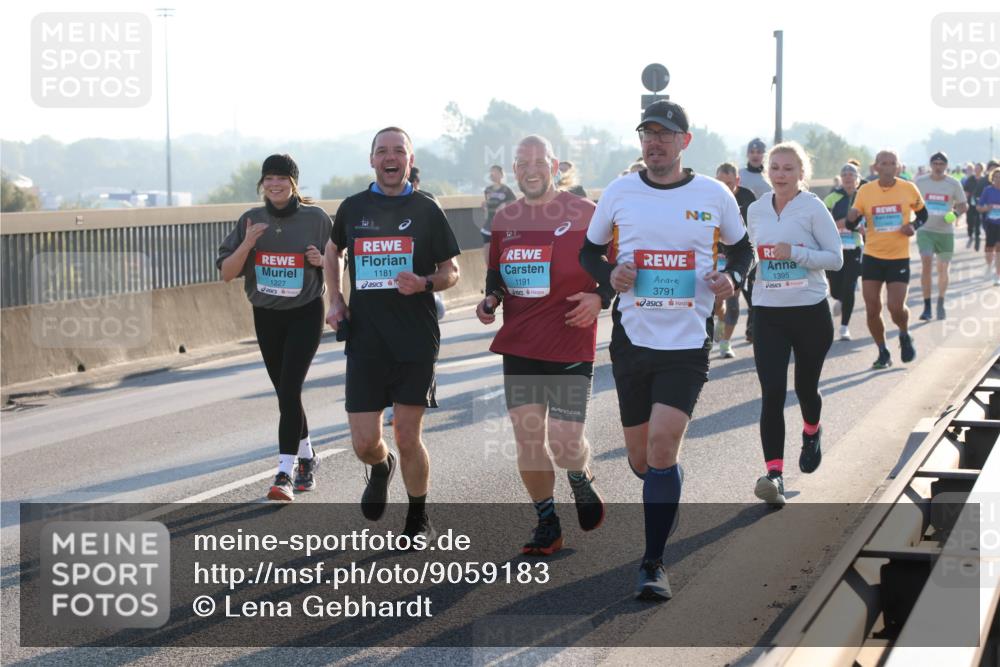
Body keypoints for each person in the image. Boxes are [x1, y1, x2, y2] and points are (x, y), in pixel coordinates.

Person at [580, 100, 753, 600]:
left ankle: (652, 563)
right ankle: (665, 478)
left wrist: (733, 278)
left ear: (684, 141)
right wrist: (608, 274)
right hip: (632, 342)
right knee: (642, 460)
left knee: (660, 446)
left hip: (686, 343)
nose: (653, 142)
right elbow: (589, 252)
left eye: (664, 134)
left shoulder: (714, 194)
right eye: (646, 134)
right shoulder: (619, 191)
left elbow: (744, 250)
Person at [324, 127, 461, 540]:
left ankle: (418, 517)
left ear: (409, 160)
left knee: (405, 434)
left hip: (415, 340)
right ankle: (381, 467)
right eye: (382, 151)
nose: (390, 157)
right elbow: (334, 250)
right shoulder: (352, 207)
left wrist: (424, 283)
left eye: (398, 151)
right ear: (371, 160)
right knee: (365, 443)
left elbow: (451, 271)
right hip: (366, 339)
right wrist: (335, 298)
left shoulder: (426, 209)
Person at [476, 135, 608, 556]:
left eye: (539, 161)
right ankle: (547, 522)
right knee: (530, 439)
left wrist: (600, 297)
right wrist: (491, 298)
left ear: (555, 166)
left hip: (570, 342)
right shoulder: (505, 217)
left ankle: (580, 475)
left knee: (565, 443)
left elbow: (621, 270)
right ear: (514, 169)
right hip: (521, 345)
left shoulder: (588, 214)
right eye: (522, 162)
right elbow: (496, 272)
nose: (531, 168)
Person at [217, 154, 331, 501]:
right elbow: (226, 273)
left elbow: (338, 262)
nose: (275, 185)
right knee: (287, 393)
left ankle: (284, 471)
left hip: (306, 312)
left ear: (293, 183)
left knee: (290, 386)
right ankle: (308, 457)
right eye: (269, 179)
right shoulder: (250, 219)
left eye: (282, 179)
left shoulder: (315, 219)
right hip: (266, 314)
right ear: (262, 184)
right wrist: (249, 242)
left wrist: (321, 261)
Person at [746, 142, 843, 507]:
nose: (781, 174)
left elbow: (835, 259)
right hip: (768, 312)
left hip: (809, 313)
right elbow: (756, 254)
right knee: (771, 393)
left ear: (801, 173)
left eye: (788, 168)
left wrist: (797, 253)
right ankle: (774, 474)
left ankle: (812, 431)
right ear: (767, 171)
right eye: (775, 167)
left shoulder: (812, 208)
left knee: (805, 388)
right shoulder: (755, 210)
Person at [846, 150, 928, 369]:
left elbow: (923, 215)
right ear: (876, 167)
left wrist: (913, 226)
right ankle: (883, 351)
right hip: (873, 255)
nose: (889, 167)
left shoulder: (908, 188)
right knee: (872, 308)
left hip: (899, 257)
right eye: (884, 163)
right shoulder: (865, 190)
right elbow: (853, 223)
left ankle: (904, 332)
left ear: (898, 167)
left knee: (895, 307)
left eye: (893, 163)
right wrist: (852, 219)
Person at [914, 152, 969, 320]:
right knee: (926, 261)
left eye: (941, 164)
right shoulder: (920, 182)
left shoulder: (953, 183)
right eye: (935, 163)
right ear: (931, 165)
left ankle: (940, 302)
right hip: (926, 230)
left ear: (946, 166)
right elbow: (910, 202)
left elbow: (963, 205)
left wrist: (954, 213)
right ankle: (927, 307)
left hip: (945, 232)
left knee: (943, 268)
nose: (938, 167)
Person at [713, 162, 757, 358]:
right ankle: (720, 321)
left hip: (739, 256)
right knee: (716, 303)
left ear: (737, 181)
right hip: (716, 256)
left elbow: (754, 227)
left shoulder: (748, 197)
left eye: (729, 184)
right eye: (720, 183)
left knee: (733, 299)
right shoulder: (709, 196)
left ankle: (725, 342)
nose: (725, 188)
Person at [824, 163, 865, 340]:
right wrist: (843, 223)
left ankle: (844, 327)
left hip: (855, 248)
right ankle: (839, 299)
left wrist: (865, 228)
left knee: (849, 287)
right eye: (845, 174)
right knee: (835, 290)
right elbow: (822, 221)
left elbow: (870, 218)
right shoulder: (832, 197)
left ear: (857, 178)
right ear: (841, 178)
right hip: (835, 248)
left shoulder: (863, 196)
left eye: (852, 174)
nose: (848, 177)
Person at [482, 165, 518, 260]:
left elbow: (515, 203)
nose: (493, 174)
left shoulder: (506, 189)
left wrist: (504, 204)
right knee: (488, 256)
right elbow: (487, 203)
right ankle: (490, 273)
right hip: (488, 226)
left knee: (502, 255)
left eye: (496, 172)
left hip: (503, 227)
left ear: (502, 175)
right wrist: (485, 204)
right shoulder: (488, 190)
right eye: (491, 172)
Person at [976, 166, 1000, 286]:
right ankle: (989, 265)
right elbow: (978, 207)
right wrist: (987, 208)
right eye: (996, 177)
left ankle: (997, 275)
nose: (998, 179)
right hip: (990, 223)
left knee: (999, 249)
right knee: (989, 249)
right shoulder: (987, 190)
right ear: (992, 178)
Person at [963, 163, 986, 251]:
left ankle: (977, 239)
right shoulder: (970, 179)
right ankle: (970, 235)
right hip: (970, 203)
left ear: (981, 169)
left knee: (978, 221)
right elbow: (966, 191)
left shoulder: (984, 180)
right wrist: (965, 201)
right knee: (969, 220)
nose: (976, 170)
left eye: (978, 168)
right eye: (975, 168)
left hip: (981, 204)